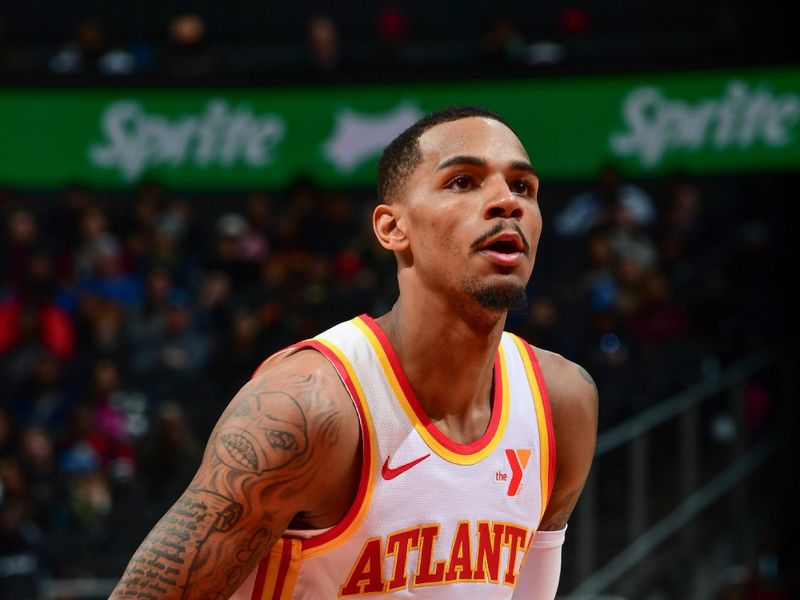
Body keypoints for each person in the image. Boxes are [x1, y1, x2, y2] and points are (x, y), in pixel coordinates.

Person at [109, 105, 598, 599]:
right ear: (392, 229)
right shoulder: (305, 409)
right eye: (463, 182)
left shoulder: (561, 404)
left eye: (523, 188)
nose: (505, 202)